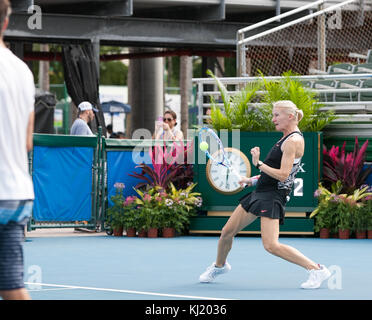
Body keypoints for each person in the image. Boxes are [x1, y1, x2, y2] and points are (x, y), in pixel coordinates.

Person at [199, 100, 331, 289]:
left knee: (271, 245)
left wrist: (258, 162)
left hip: (272, 195)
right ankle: (219, 266)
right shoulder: (285, 138)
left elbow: (284, 174)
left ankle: (316, 269)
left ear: (290, 116)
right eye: (273, 114)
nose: (273, 119)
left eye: (277, 115)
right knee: (227, 232)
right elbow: (274, 171)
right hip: (261, 190)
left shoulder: (293, 141)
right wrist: (251, 180)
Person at [0, 0, 34, 300]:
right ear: (6, 23)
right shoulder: (23, 70)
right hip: (17, 194)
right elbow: (27, 141)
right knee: (12, 286)